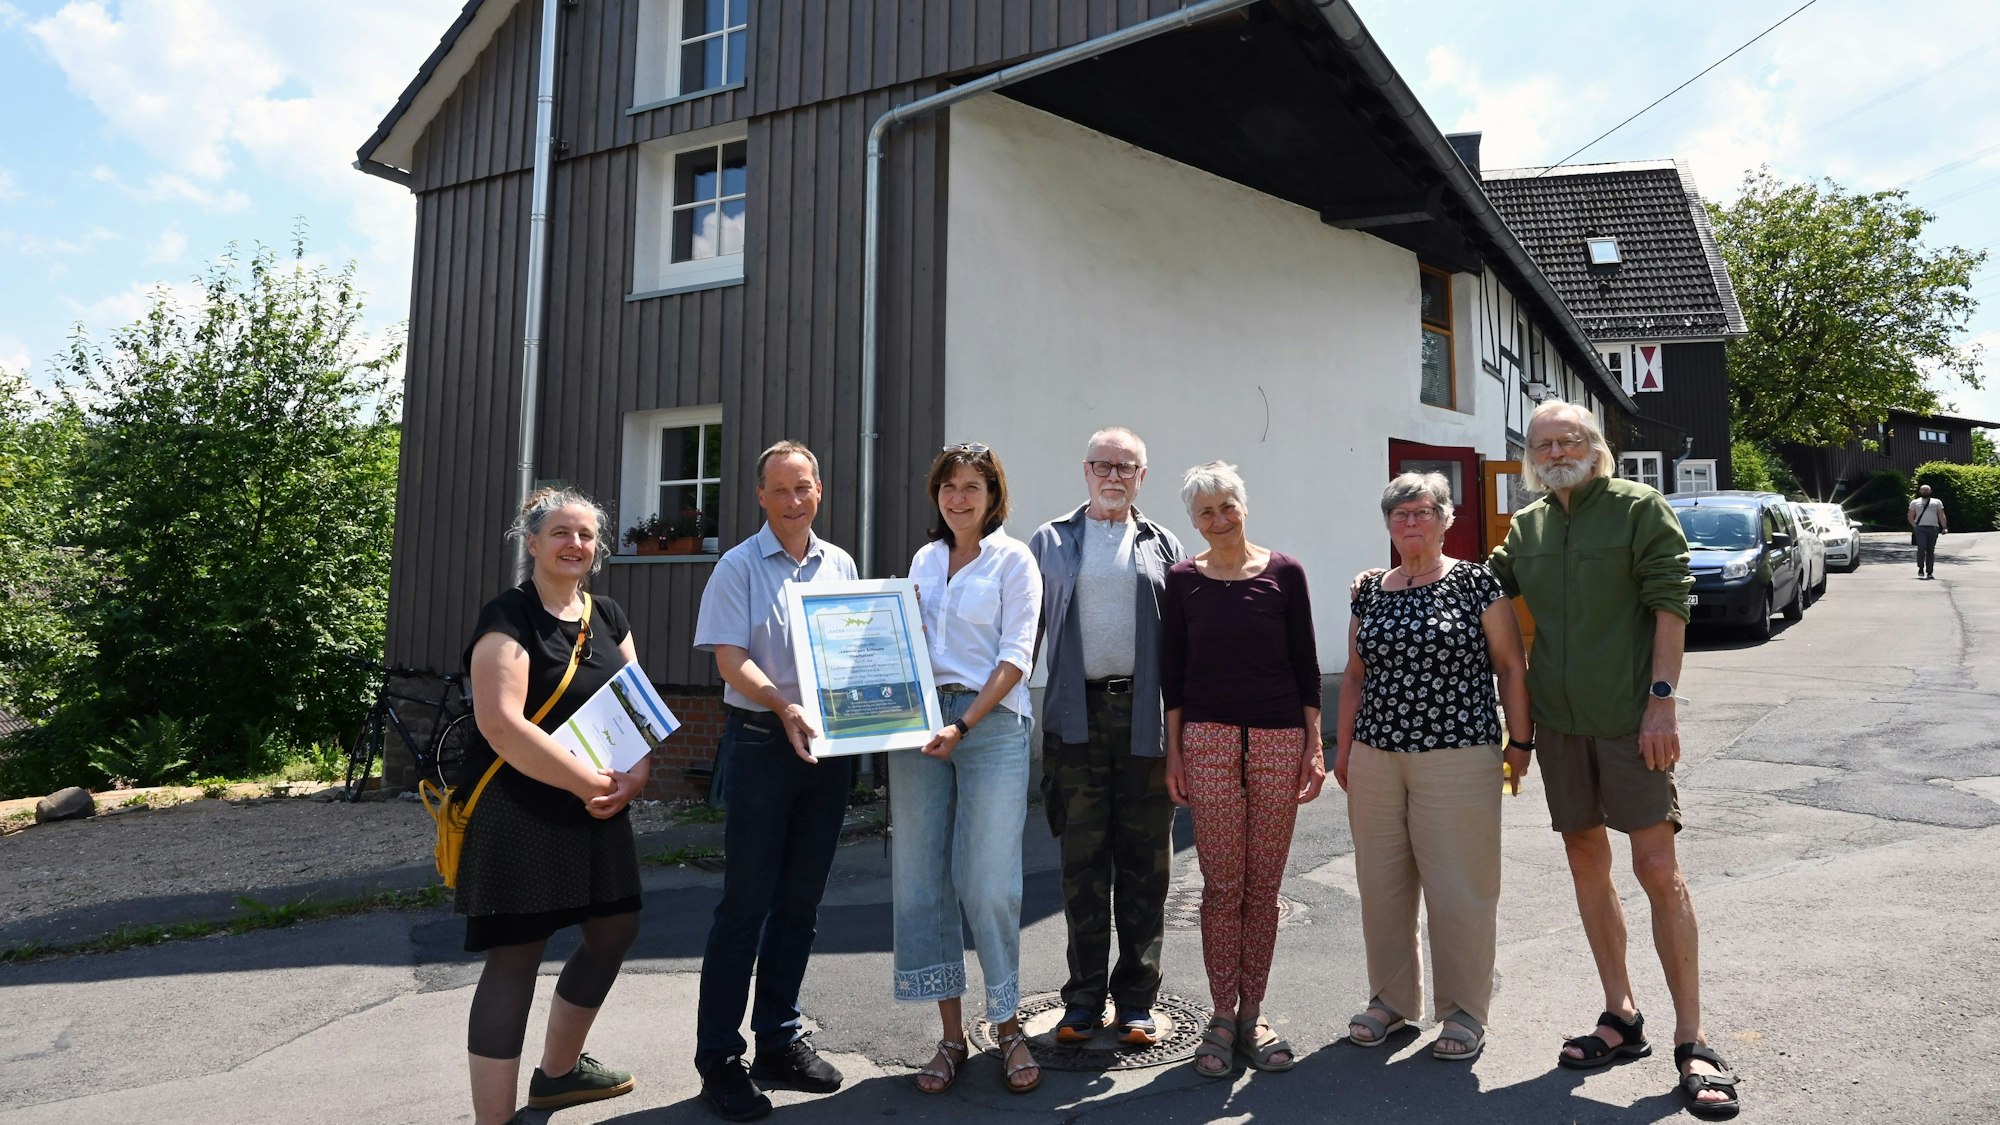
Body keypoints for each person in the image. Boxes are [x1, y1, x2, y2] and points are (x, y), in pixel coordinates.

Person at [1487, 400, 1740, 1119]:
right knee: (1584, 861)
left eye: (1569, 437)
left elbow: (1671, 603)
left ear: (1593, 446)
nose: (1557, 448)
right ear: (1530, 454)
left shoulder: (1638, 507)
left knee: (1657, 868)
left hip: (1634, 721)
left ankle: (1692, 1038)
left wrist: (1663, 700)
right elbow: (1483, 585)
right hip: (1562, 724)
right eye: (1544, 441)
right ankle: (1621, 1014)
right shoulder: (1528, 527)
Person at [458, 487, 648, 1125]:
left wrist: (636, 774)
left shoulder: (610, 615)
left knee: (615, 928)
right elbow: (502, 726)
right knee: (516, 957)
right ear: (532, 542)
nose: (575, 544)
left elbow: (636, 708)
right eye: (561, 533)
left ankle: (560, 1076)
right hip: (520, 808)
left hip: (596, 805)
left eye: (587, 535)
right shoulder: (507, 618)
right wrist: (585, 783)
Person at [1334, 473, 1532, 1063]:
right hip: (1376, 755)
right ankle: (1391, 1002)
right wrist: (1343, 751)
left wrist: (1519, 743)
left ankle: (1464, 1010)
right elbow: (1353, 676)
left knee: (1460, 886)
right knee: (1382, 884)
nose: (1410, 523)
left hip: (1458, 753)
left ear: (1447, 519)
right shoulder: (1369, 589)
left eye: (1422, 512)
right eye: (1398, 514)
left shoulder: (1476, 582)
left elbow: (1511, 666)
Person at [691, 441, 857, 1122]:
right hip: (762, 742)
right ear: (760, 495)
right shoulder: (737, 566)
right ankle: (719, 1060)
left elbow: (856, 647)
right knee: (745, 906)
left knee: (801, 904)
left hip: (827, 752)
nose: (794, 500)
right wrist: (783, 704)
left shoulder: (841, 563)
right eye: (781, 489)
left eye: (805, 487)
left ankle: (778, 1040)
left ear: (820, 489)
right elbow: (730, 660)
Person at [1162, 461, 1325, 1079]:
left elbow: (1307, 665)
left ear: (1244, 506)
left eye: (1227, 505)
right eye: (1205, 511)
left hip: (1280, 736)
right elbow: (1171, 675)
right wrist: (1174, 751)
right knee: (1221, 886)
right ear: (1193, 520)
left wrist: (1313, 745)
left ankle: (1253, 1011)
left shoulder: (1285, 573)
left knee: (1264, 887)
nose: (1219, 519)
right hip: (1206, 738)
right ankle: (1220, 1015)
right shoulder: (1182, 580)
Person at [1027, 426, 1186, 1048]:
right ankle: (1084, 1000)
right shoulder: (1052, 540)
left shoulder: (1163, 543)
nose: (1113, 475)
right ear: (1085, 471)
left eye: (1126, 466)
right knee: (1082, 862)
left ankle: (1138, 1001)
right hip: (1075, 719)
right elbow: (1025, 628)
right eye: (1102, 465)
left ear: (1142, 477)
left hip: (1143, 719)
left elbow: (1182, 644)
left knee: (1146, 866)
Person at [895, 442, 1045, 1096]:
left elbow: (1016, 656)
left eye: (973, 487)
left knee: (987, 881)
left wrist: (964, 723)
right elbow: (899, 641)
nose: (959, 497)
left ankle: (1007, 1025)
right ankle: (951, 1036)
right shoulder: (924, 560)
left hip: (989, 725)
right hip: (920, 723)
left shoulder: (1015, 560)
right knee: (923, 879)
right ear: (937, 493)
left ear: (993, 495)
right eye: (950, 486)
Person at [1909, 484, 1948, 579]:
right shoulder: (1915, 502)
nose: (1925, 492)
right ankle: (1921, 567)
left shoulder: (1937, 502)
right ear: (1920, 491)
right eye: (1923, 490)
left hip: (1933, 528)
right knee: (1921, 547)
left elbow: (1941, 515)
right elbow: (1910, 515)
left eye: (1927, 490)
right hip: (1920, 528)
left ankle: (1929, 572)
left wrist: (1944, 527)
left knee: (1931, 550)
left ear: (1930, 491)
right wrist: (1915, 526)